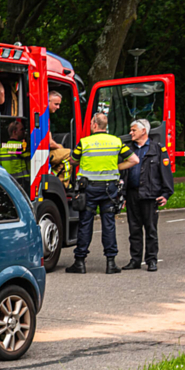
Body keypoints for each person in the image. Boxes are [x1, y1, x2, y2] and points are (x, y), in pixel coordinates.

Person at [65, 112, 139, 275]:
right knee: (109, 224)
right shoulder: (116, 142)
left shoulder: (84, 142)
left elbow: (72, 160)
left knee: (85, 224)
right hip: (110, 189)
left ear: (94, 125)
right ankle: (111, 263)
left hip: (89, 189)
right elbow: (134, 160)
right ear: (106, 126)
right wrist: (116, 168)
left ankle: (80, 262)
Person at [122, 118, 174, 272]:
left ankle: (151, 260)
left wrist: (166, 193)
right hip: (132, 194)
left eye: (134, 130)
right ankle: (135, 260)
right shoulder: (128, 150)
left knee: (150, 229)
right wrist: (122, 195)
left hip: (150, 195)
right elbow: (124, 173)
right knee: (134, 229)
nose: (130, 133)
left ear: (143, 131)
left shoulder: (157, 149)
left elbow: (165, 173)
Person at [46, 91, 73, 177]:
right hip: (43, 153)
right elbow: (49, 143)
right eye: (56, 104)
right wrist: (59, 147)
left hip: (44, 152)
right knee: (71, 155)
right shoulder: (43, 116)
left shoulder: (45, 116)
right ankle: (59, 182)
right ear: (47, 101)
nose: (58, 107)